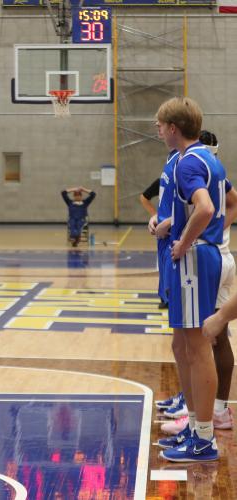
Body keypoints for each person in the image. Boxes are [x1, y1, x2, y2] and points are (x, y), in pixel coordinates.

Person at [154, 97, 223, 463]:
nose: (158, 130)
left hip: (196, 260)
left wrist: (183, 241)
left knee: (197, 349)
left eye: (160, 124)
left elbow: (207, 208)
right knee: (185, 345)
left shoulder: (187, 162)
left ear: (174, 128)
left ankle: (205, 437)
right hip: (199, 256)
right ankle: (196, 430)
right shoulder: (205, 157)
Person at [159, 130, 235, 435]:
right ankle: (203, 412)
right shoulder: (208, 165)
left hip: (209, 256)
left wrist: (195, 234)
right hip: (214, 253)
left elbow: (207, 209)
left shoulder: (193, 164)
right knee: (197, 340)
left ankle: (208, 419)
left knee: (206, 340)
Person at [141, 150, 178, 310]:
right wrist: (154, 215)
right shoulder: (164, 178)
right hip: (163, 232)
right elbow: (144, 197)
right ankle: (165, 296)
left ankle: (171, 297)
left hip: (175, 231)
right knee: (164, 266)